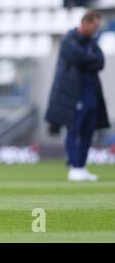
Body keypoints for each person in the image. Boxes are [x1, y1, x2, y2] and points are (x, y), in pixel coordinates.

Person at [45, 10, 109, 182]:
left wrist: (89, 60)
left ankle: (81, 166)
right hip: (74, 94)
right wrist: (90, 59)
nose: (95, 31)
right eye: (94, 26)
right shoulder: (68, 40)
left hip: (91, 93)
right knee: (74, 129)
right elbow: (79, 58)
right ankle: (73, 166)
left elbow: (100, 61)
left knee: (88, 131)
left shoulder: (91, 42)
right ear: (85, 23)